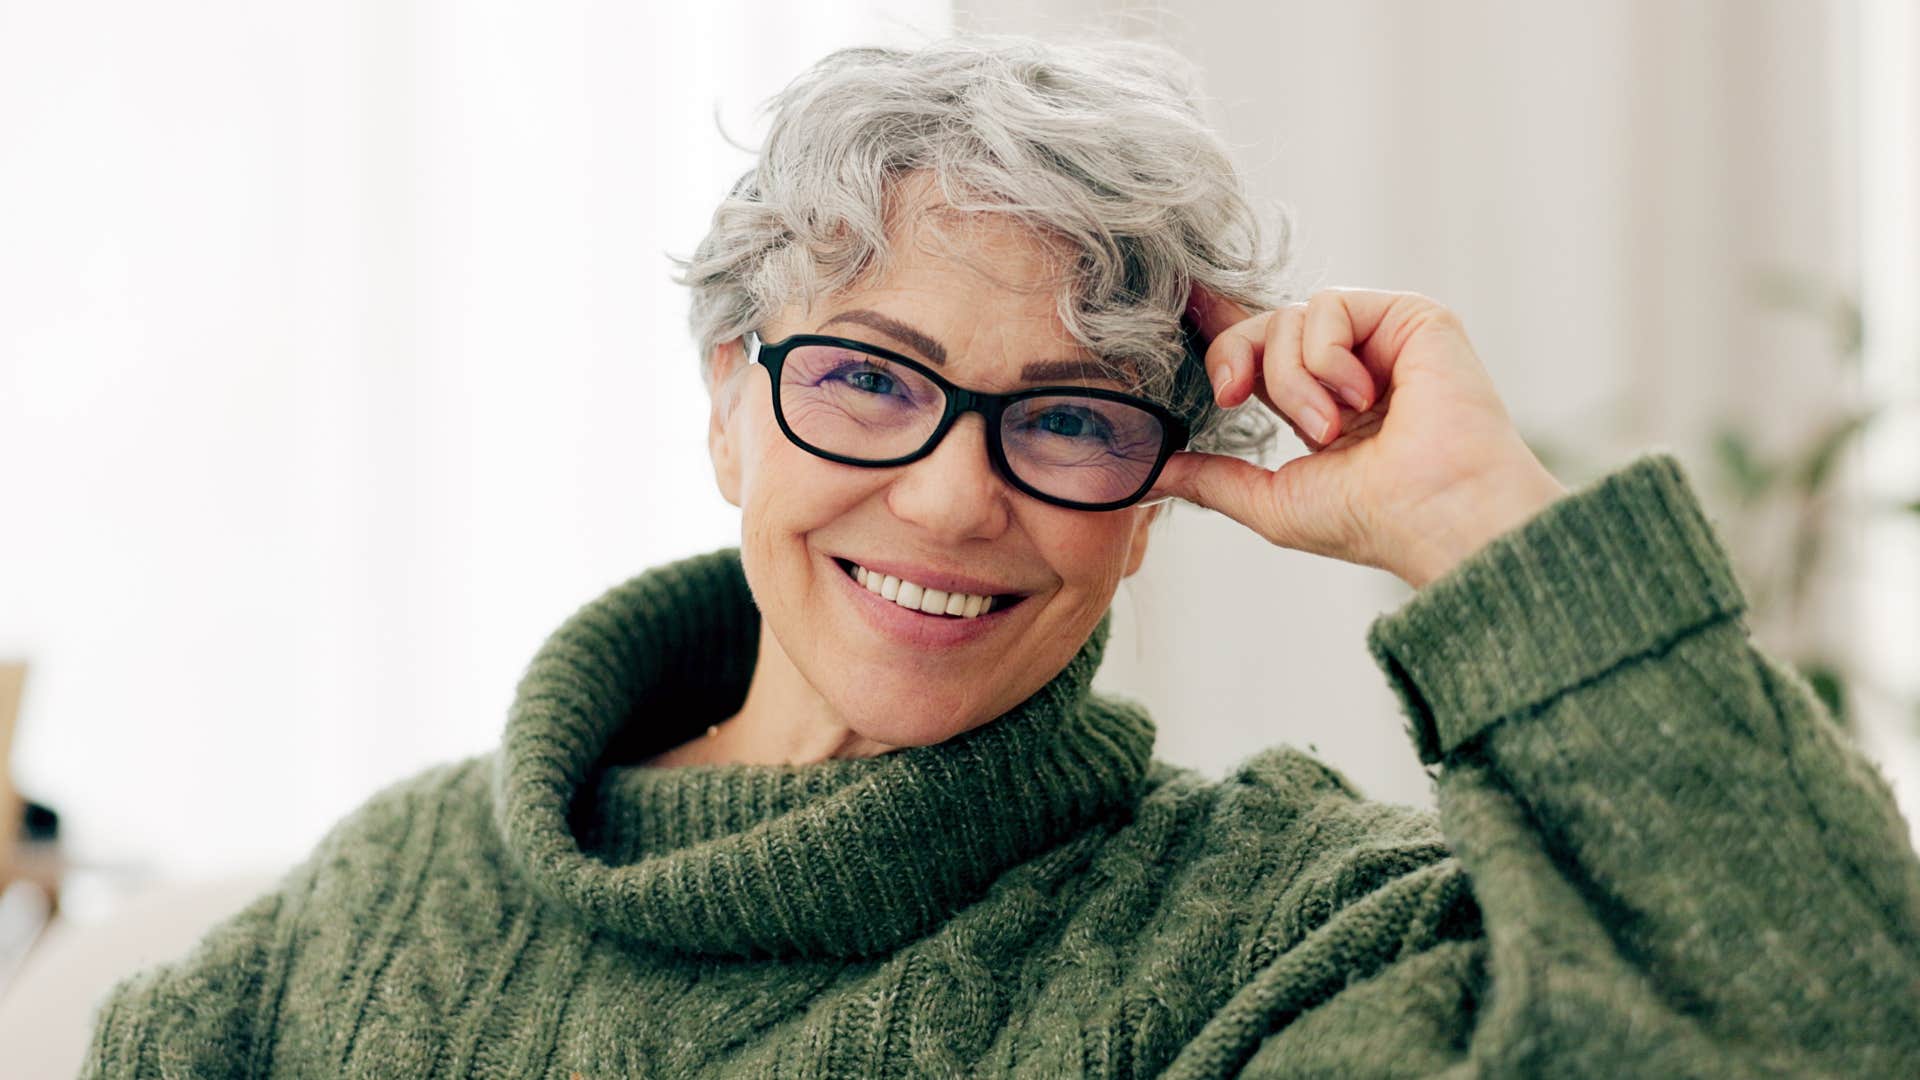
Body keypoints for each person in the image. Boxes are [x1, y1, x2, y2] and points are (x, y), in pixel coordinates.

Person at [81, 34, 1920, 1079]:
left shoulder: (1264, 941)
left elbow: (1834, 1032)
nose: (960, 504)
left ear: (1161, 487)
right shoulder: (393, 901)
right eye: (874, 381)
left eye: (1065, 417)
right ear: (729, 402)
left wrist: (1485, 531)